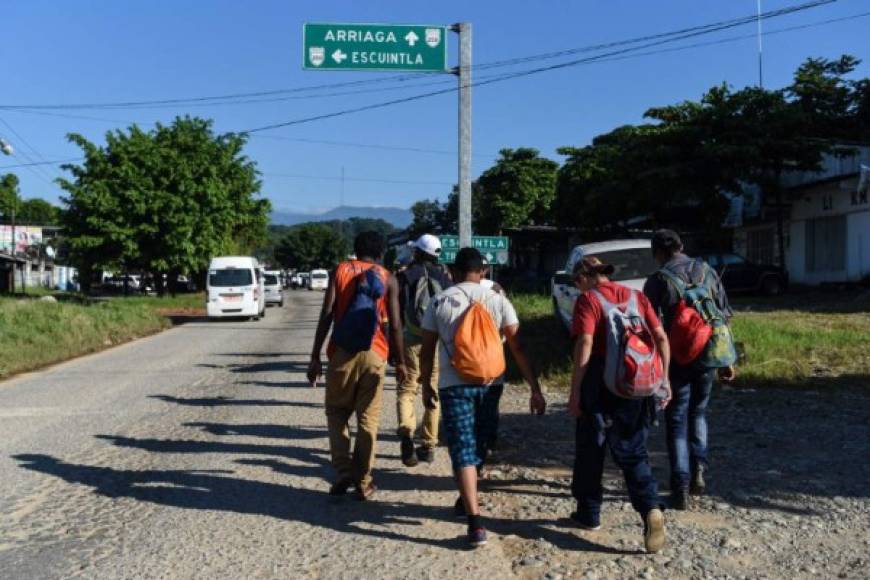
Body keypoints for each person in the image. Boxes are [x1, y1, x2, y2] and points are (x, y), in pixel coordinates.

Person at [419, 247, 546, 548]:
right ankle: (470, 501)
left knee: (462, 445)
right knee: (482, 439)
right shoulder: (499, 301)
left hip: (453, 384)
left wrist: (426, 384)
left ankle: (475, 521)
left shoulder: (439, 301)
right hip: (491, 382)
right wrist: (535, 388)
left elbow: (426, 350)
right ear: (483, 272)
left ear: (451, 271)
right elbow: (517, 347)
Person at [567, 256, 670, 554]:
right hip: (637, 382)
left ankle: (589, 512)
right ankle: (650, 506)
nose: (577, 288)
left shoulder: (589, 300)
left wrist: (575, 392)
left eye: (576, 282)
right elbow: (661, 337)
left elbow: (585, 343)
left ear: (585, 277)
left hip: (599, 381)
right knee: (634, 450)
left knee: (590, 446)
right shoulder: (638, 297)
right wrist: (665, 380)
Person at [307, 231, 407, 501]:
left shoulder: (340, 270)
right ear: (381, 251)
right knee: (368, 419)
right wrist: (400, 362)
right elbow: (395, 325)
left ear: (356, 249)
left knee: (337, 412)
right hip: (375, 353)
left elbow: (327, 314)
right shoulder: (389, 278)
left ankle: (342, 472)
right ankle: (363, 481)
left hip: (342, 352)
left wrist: (315, 355)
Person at [643, 229, 735, 510]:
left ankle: (680, 484)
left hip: (678, 356)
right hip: (708, 351)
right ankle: (699, 469)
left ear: (657, 252)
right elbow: (723, 313)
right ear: (682, 246)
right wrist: (727, 359)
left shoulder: (658, 280)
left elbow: (649, 326)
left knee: (676, 418)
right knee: (698, 412)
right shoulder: (706, 271)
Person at [395, 234, 453, 466]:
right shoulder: (445, 278)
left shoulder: (405, 276)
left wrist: (395, 348)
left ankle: (407, 432)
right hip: (436, 340)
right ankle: (428, 445)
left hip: (411, 338)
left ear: (417, 253)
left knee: (408, 388)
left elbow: (397, 315)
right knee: (432, 387)